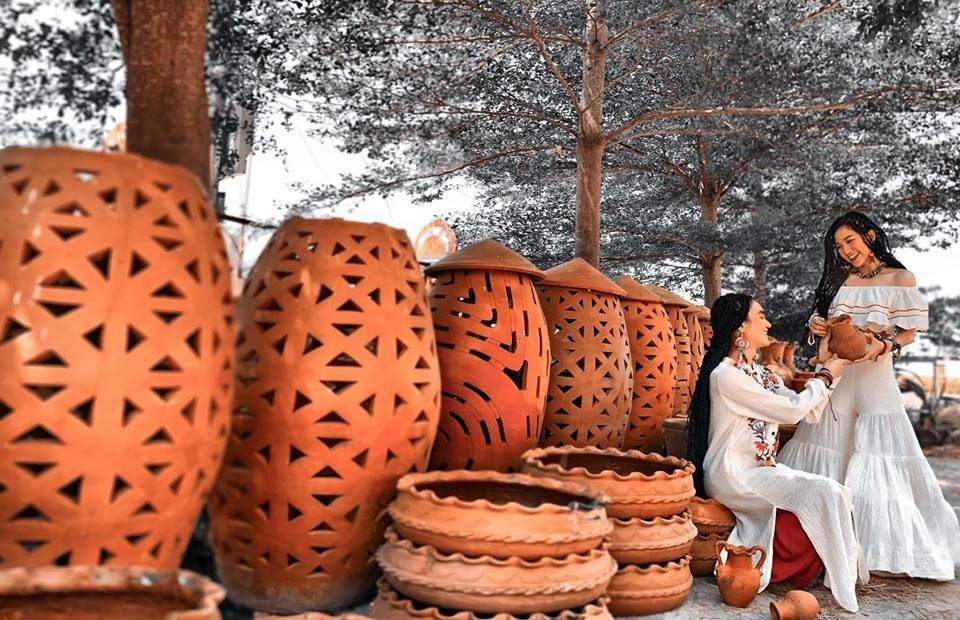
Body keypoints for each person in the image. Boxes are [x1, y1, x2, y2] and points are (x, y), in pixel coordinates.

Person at [777, 210, 960, 580]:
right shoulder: (840, 280)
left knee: (882, 451)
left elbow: (909, 331)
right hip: (839, 376)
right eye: (839, 246)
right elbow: (826, 325)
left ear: (871, 236)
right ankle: (822, 545)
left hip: (876, 375)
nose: (846, 251)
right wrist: (816, 324)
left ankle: (876, 552)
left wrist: (884, 344)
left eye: (851, 241)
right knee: (827, 444)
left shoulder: (900, 278)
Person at [685, 293, 866, 612]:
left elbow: (806, 410)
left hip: (761, 468)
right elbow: (792, 410)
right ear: (741, 328)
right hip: (733, 473)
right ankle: (768, 566)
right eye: (762, 316)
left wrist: (827, 366)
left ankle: (827, 570)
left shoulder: (759, 372)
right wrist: (828, 372)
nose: (768, 323)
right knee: (820, 492)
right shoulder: (726, 376)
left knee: (832, 491)